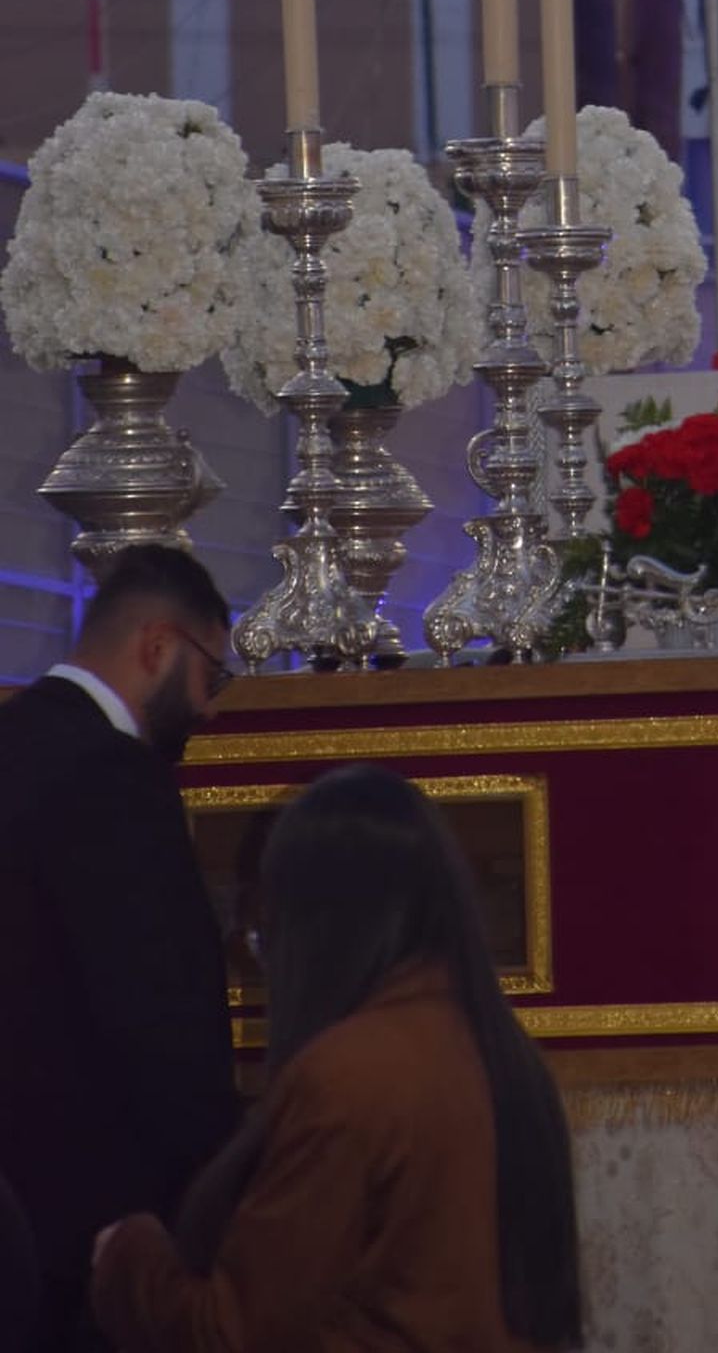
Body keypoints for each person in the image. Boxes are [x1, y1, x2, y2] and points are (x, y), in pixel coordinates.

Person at [91, 763, 583, 1353]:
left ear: (313, 927)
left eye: (264, 935)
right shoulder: (502, 1054)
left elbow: (233, 1334)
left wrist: (126, 1253)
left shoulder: (348, 1075)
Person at [0, 540, 240, 1352]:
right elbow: (166, 1023)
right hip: (99, 1239)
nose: (211, 707)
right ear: (157, 647)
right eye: (216, 674)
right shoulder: (120, 779)